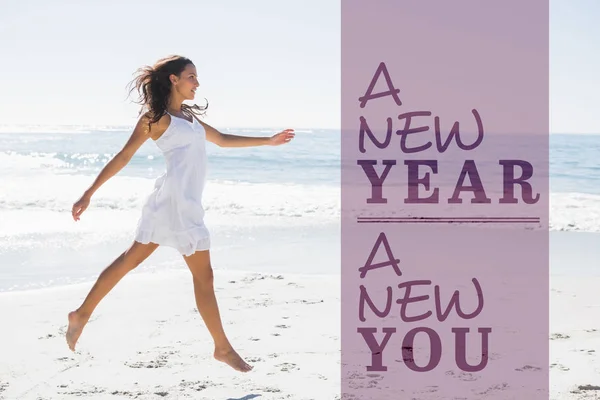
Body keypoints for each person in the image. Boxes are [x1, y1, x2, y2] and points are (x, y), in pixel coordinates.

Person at [66, 55, 295, 373]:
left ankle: (81, 314)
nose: (197, 83)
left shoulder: (188, 117)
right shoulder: (156, 119)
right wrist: (89, 193)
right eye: (191, 76)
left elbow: (223, 140)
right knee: (203, 277)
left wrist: (268, 142)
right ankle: (223, 348)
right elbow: (124, 156)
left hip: (182, 202)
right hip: (176, 204)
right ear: (174, 79)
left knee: (132, 261)